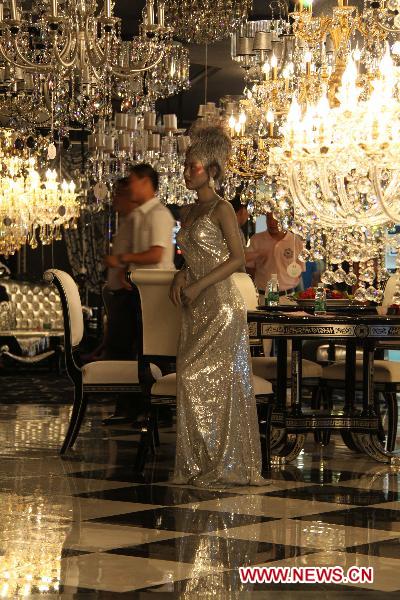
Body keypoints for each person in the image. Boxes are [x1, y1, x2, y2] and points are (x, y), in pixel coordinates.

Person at [169, 126, 269, 488]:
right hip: (195, 306)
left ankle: (225, 464)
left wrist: (197, 283)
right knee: (189, 377)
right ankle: (197, 464)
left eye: (191, 165)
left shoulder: (223, 208)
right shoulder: (189, 210)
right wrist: (181, 276)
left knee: (216, 382)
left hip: (221, 305)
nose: (185, 171)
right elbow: (194, 256)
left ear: (211, 169)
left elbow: (237, 259)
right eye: (184, 165)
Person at [246, 212, 305, 300]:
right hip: (263, 296)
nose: (272, 223)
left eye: (276, 219)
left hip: (288, 297)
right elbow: (249, 269)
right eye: (269, 219)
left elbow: (299, 271)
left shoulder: (295, 241)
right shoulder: (256, 240)